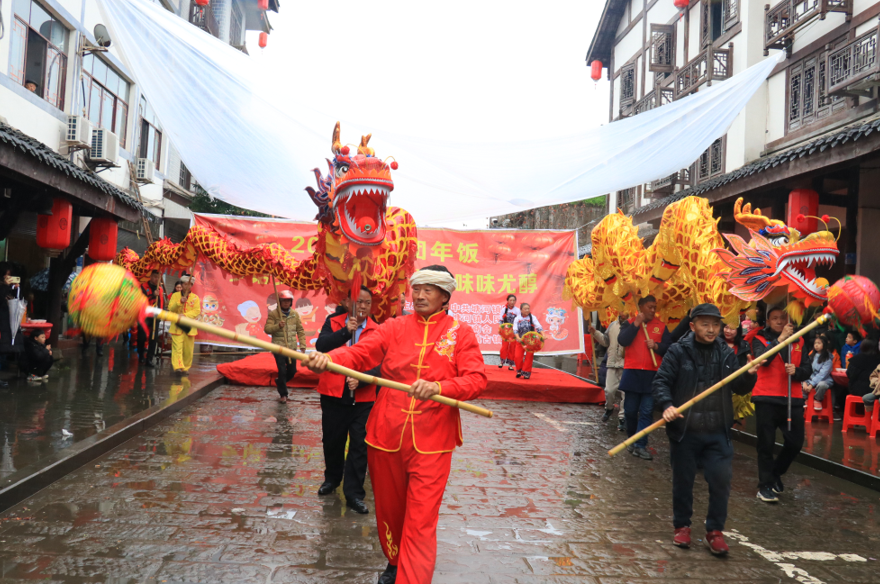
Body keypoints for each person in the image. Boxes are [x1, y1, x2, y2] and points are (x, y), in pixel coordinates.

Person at [305, 265, 486, 584]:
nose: (420, 295)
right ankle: (395, 560)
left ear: (445, 296)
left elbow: (476, 379)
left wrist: (440, 387)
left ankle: (411, 577)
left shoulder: (461, 332)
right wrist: (330, 360)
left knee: (421, 518)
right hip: (385, 433)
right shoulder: (394, 327)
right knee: (389, 510)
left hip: (433, 439)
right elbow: (360, 354)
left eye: (429, 290)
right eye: (416, 289)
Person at [653, 304, 756, 556]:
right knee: (683, 482)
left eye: (715, 324)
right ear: (692, 326)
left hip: (718, 431)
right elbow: (661, 381)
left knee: (721, 480)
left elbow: (739, 387)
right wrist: (667, 405)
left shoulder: (726, 353)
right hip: (685, 431)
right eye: (705, 324)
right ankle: (682, 526)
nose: (711, 329)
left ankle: (715, 531)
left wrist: (749, 375)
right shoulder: (678, 351)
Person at [314, 286, 379, 514]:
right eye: (359, 301)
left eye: (367, 303)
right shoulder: (333, 322)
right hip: (333, 394)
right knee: (332, 441)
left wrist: (363, 379)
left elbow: (383, 364)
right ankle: (332, 479)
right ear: (348, 303)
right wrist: (345, 332)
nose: (363, 306)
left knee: (360, 446)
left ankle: (354, 494)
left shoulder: (377, 329)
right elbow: (321, 346)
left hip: (363, 399)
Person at [750, 305, 811, 504]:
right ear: (768, 321)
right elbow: (763, 360)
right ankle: (765, 486)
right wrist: (780, 340)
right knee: (765, 444)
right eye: (775, 318)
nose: (779, 321)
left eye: (783, 318)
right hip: (766, 397)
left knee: (795, 443)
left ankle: (775, 473)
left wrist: (797, 371)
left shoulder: (800, 340)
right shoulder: (759, 338)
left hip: (793, 399)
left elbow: (808, 369)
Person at [618, 295, 672, 460]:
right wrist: (636, 324)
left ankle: (641, 445)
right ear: (640, 307)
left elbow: (669, 348)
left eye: (654, 307)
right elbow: (623, 340)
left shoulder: (661, 326)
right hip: (632, 372)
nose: (653, 310)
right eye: (650, 307)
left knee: (647, 411)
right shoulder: (629, 323)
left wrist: (656, 346)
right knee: (630, 411)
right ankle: (632, 439)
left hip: (652, 374)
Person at [264, 290, 306, 404]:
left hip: (291, 347)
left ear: (291, 302)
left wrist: (302, 344)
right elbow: (267, 329)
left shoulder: (294, 314)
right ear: (279, 301)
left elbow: (300, 330)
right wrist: (278, 326)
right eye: (284, 301)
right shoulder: (274, 314)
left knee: (292, 371)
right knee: (282, 371)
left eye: (288, 301)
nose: (286, 303)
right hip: (278, 348)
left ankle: (280, 382)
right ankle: (283, 394)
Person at [590, 311, 627, 426]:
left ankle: (622, 418)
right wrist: (595, 333)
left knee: (625, 394)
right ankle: (609, 408)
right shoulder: (612, 325)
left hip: (626, 364)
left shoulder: (633, 326)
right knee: (609, 390)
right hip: (612, 363)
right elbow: (606, 341)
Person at [168, 274, 200, 374]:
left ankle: (185, 368)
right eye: (185, 284)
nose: (187, 286)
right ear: (181, 284)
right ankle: (178, 367)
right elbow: (171, 309)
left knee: (188, 350)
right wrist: (179, 302)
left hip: (189, 327)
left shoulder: (195, 298)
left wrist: (185, 315)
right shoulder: (175, 296)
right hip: (177, 326)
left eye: (190, 284)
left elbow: (196, 311)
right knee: (177, 348)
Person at [722, 324, 753, 423]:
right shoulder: (717, 343)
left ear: (738, 330)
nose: (728, 331)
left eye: (732, 328)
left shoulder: (744, 345)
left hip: (736, 385)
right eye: (726, 327)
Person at [137, 270, 166, 366]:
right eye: (155, 277)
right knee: (142, 337)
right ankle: (141, 355)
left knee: (154, 338)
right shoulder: (143, 287)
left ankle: (149, 358)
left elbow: (161, 302)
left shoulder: (160, 289)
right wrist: (153, 295)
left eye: (158, 277)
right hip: (145, 316)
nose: (157, 279)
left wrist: (162, 312)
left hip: (156, 316)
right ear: (151, 277)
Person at [513, 303, 543, 380]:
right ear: (521, 310)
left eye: (528, 309)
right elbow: (515, 330)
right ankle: (519, 370)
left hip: (531, 342)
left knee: (529, 357)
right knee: (517, 356)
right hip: (520, 341)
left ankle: (526, 372)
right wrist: (518, 338)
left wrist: (543, 335)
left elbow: (538, 327)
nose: (527, 310)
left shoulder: (532, 317)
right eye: (525, 309)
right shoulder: (517, 318)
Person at [804, 336, 834, 410]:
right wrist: (804, 381)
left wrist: (811, 384)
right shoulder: (811, 356)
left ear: (824, 345)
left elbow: (822, 375)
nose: (816, 345)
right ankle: (806, 399)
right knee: (798, 382)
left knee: (822, 385)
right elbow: (806, 370)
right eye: (815, 343)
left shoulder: (828, 360)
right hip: (810, 379)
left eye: (819, 343)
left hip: (824, 380)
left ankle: (817, 399)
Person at [498, 294, 520, 370]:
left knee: (512, 347)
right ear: (507, 301)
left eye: (514, 300)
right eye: (510, 300)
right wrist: (500, 329)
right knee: (504, 347)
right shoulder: (504, 309)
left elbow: (519, 321)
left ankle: (510, 364)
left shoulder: (517, 310)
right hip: (505, 332)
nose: (512, 302)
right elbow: (500, 321)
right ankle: (501, 362)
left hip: (514, 332)